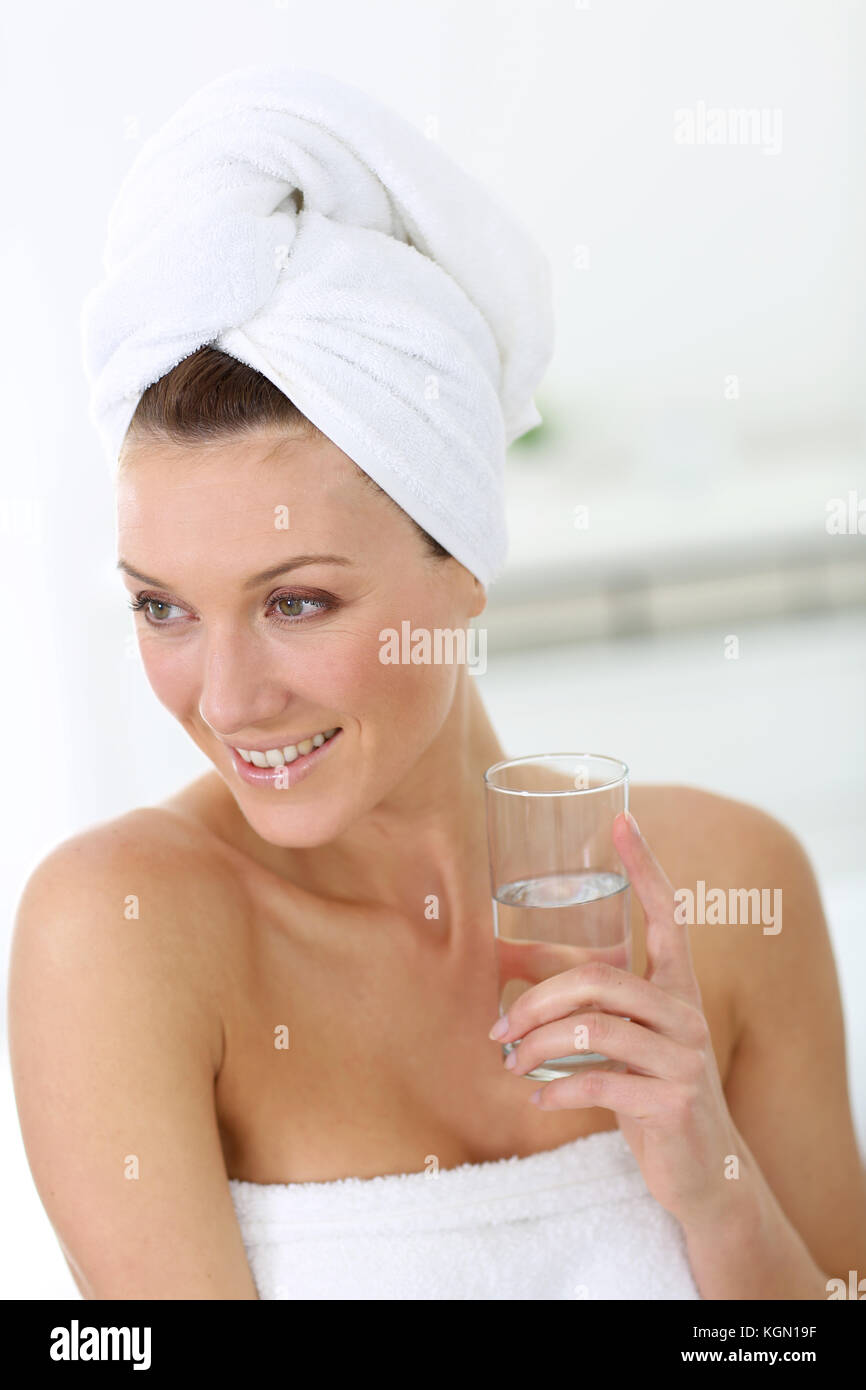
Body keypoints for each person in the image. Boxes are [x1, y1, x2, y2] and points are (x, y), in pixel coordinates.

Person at [8, 68, 866, 1301]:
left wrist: (710, 1179)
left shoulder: (729, 886)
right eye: (163, 608)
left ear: (461, 566)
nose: (229, 698)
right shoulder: (122, 934)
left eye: (294, 601)